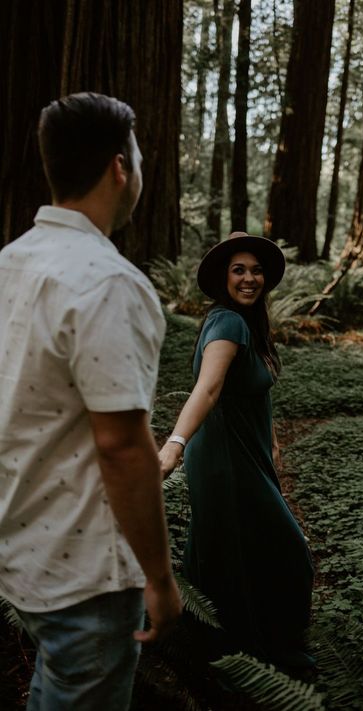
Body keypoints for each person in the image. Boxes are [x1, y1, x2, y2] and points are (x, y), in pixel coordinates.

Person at [0, 92, 182, 711]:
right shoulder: (108, 283)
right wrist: (159, 579)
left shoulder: (11, 264)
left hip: (20, 551)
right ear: (119, 167)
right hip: (85, 576)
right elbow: (124, 446)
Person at [159, 232, 314, 668]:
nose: (250, 278)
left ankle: (234, 642)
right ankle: (241, 652)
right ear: (223, 277)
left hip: (245, 452)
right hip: (224, 458)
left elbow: (248, 395)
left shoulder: (246, 323)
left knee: (240, 545)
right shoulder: (228, 322)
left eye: (256, 270)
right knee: (286, 552)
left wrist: (271, 442)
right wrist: (174, 444)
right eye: (238, 270)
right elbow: (207, 389)